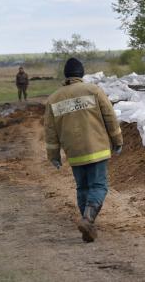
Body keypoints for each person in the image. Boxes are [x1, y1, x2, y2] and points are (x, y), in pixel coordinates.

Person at [44, 57, 123, 243]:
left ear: (66, 75)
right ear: (81, 74)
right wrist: (117, 140)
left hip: (75, 153)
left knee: (83, 188)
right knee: (98, 186)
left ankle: (87, 225)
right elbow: (110, 117)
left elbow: (50, 131)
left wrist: (53, 156)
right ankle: (87, 219)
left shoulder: (53, 99)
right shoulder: (93, 91)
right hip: (97, 149)